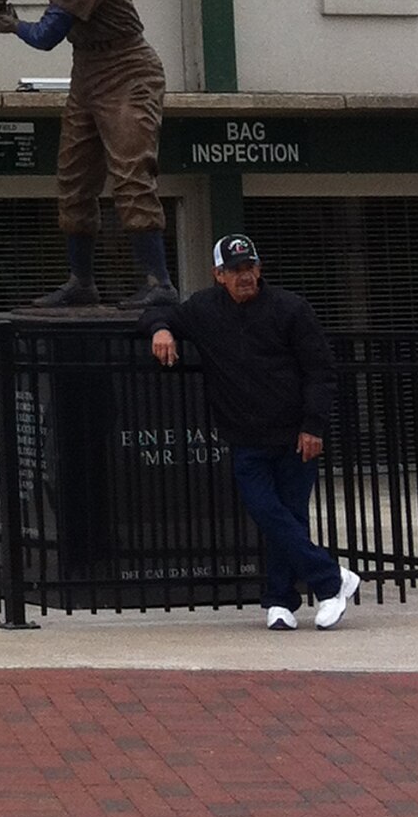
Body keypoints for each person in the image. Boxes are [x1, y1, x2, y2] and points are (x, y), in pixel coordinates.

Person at [152, 234, 358, 632]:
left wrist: (313, 425)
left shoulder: (291, 308)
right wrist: (161, 329)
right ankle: (333, 580)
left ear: (259, 269)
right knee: (267, 511)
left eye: (249, 268)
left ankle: (280, 601)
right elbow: (157, 316)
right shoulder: (203, 309)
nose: (244, 276)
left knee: (290, 516)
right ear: (218, 275)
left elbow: (320, 370)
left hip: (295, 436)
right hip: (246, 438)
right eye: (234, 270)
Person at [0, 0, 173, 309]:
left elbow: (46, 37)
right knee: (73, 178)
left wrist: (12, 23)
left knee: (130, 174)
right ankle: (81, 282)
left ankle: (158, 281)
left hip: (128, 68)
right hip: (86, 70)